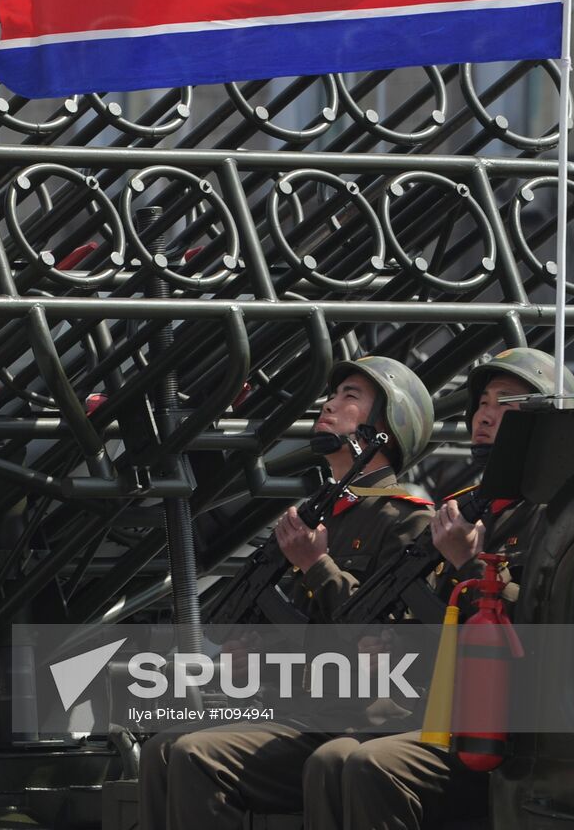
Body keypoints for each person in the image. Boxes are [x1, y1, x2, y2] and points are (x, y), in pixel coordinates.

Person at [138, 355, 436, 830]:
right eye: (333, 394)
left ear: (386, 428)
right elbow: (311, 630)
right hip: (305, 711)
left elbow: (388, 640)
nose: (330, 404)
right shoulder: (324, 514)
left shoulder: (407, 521)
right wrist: (258, 653)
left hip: (362, 721)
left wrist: (317, 566)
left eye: (350, 397)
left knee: (195, 755)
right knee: (162, 749)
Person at [302, 347, 574, 830]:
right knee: (332, 762)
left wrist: (468, 562)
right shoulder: (466, 513)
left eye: (505, 403)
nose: (484, 415)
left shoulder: (562, 516)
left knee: (370, 766)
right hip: (451, 712)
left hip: (520, 729)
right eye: (482, 404)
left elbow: (541, 631)